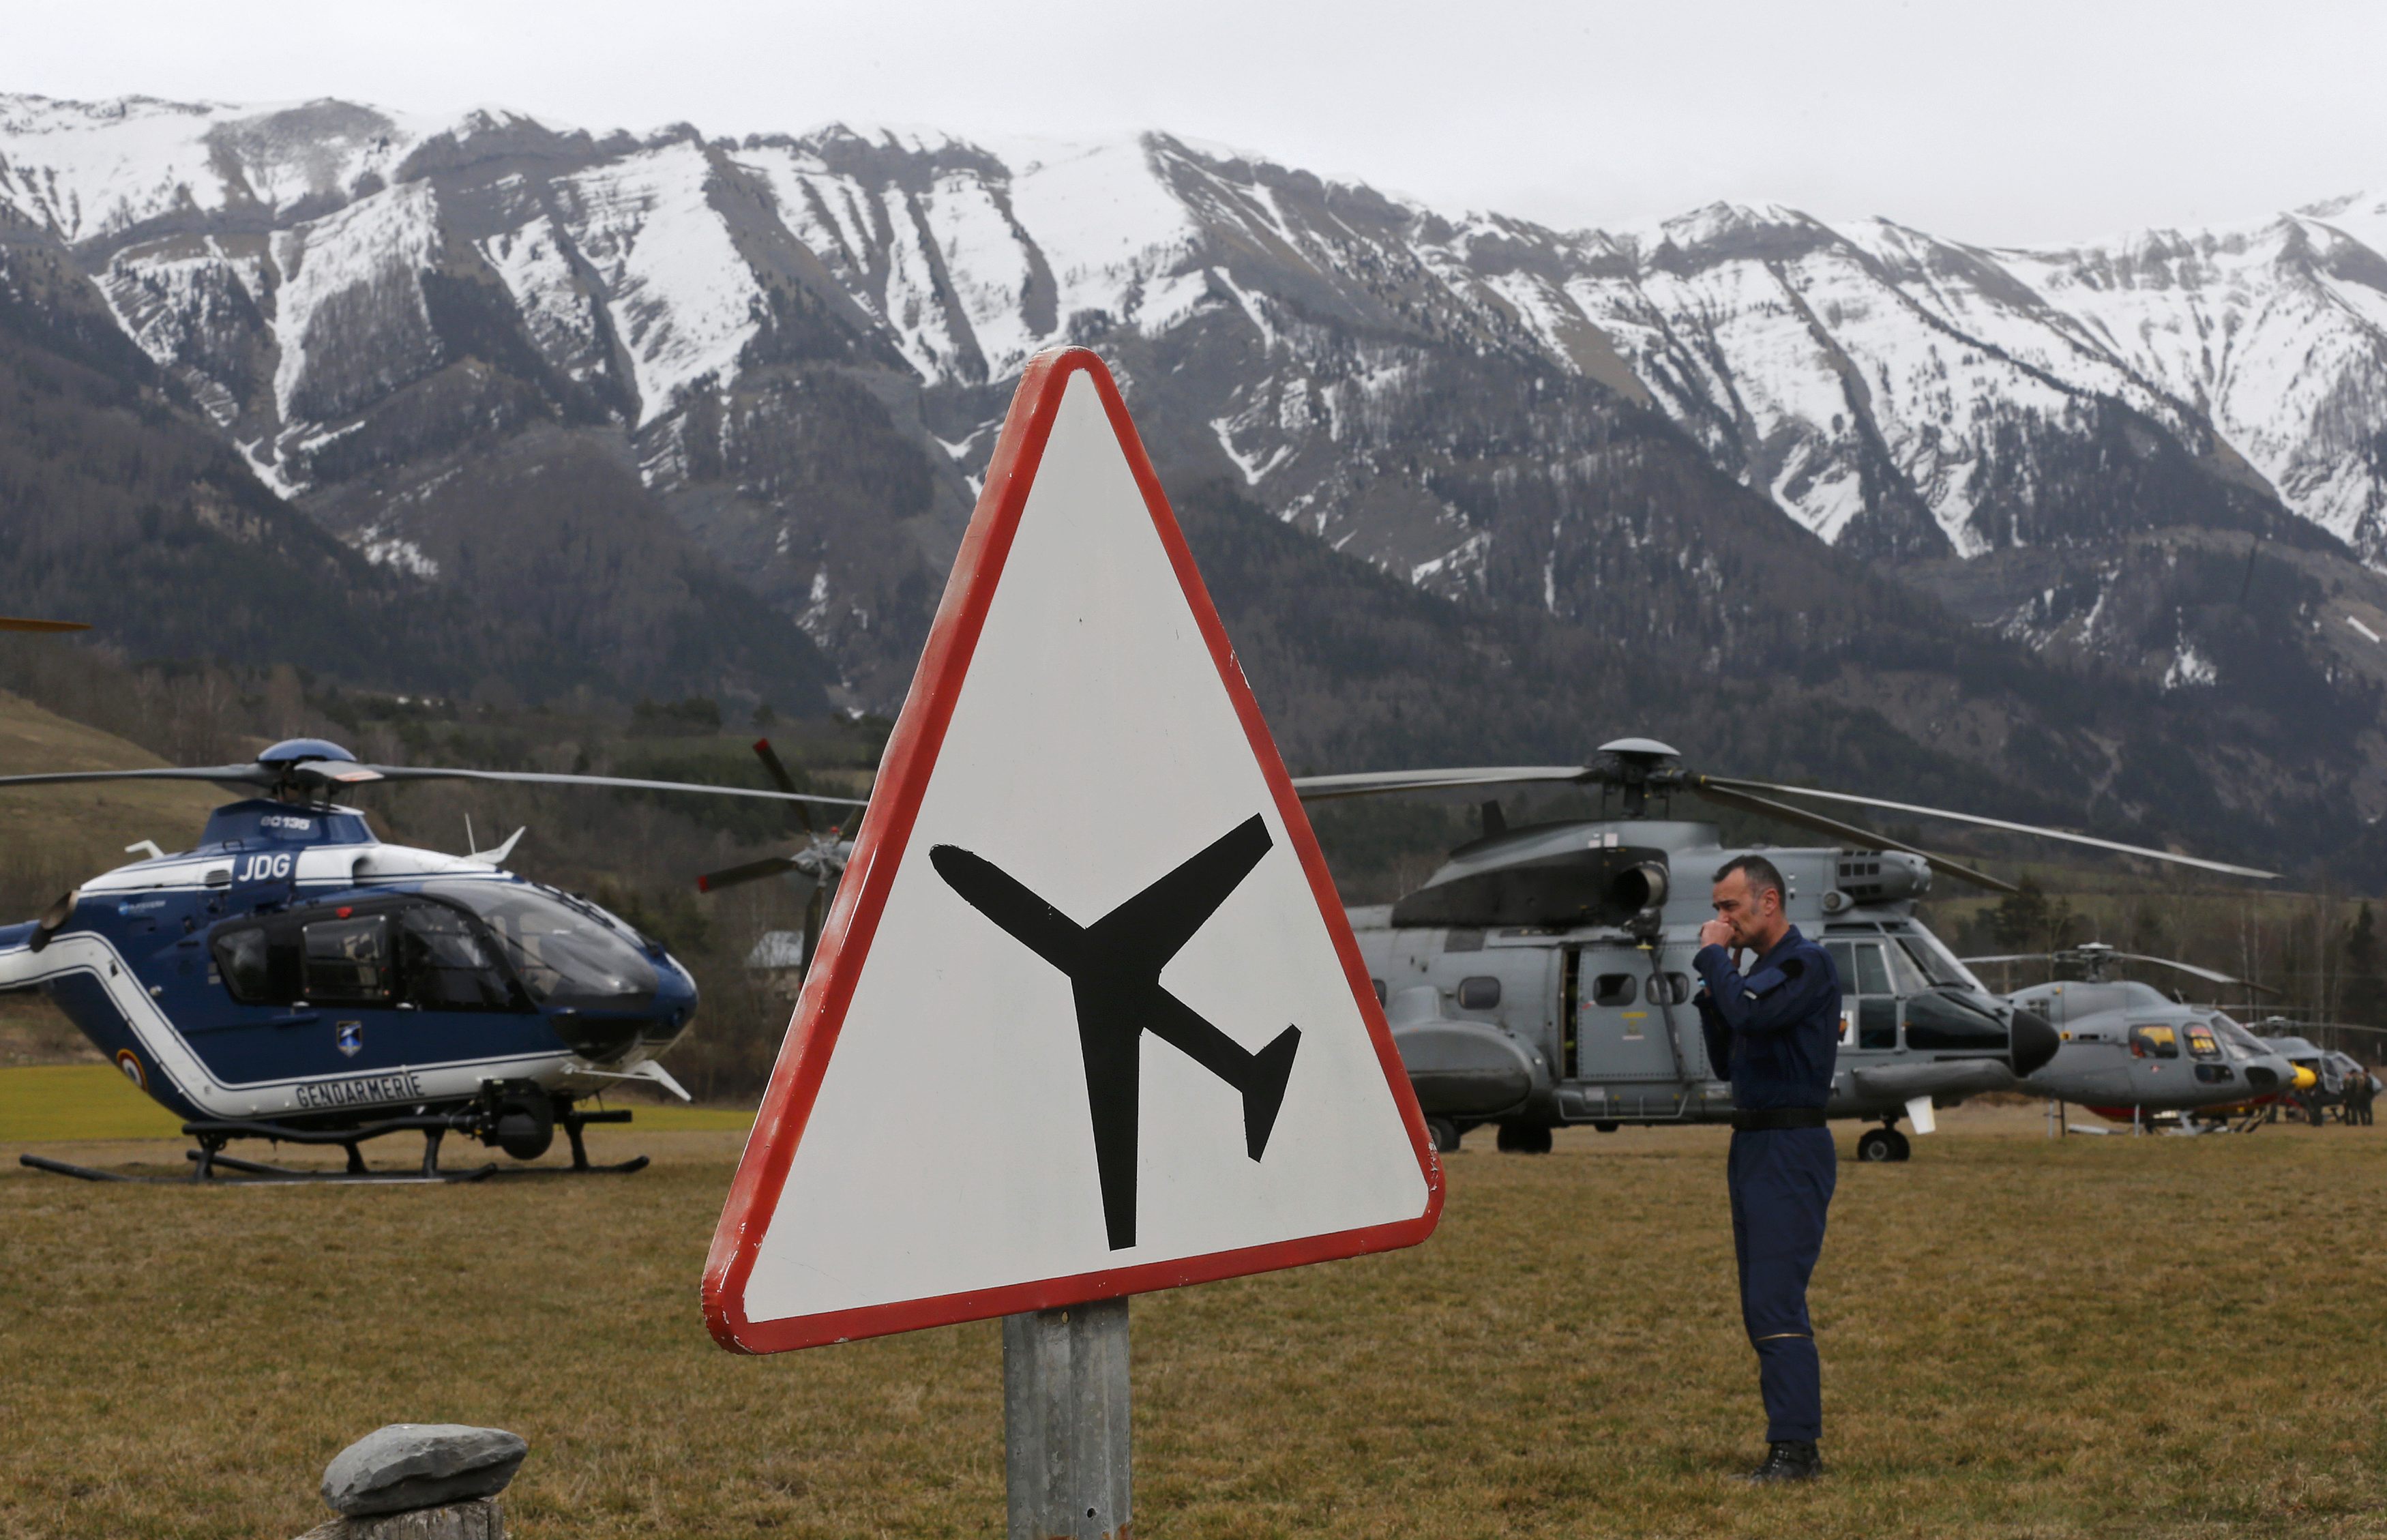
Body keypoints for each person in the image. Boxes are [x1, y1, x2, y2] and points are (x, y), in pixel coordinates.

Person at [1692, 854, 1842, 1483]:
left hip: (1790, 1144)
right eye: (1719, 909)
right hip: (1753, 1144)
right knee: (1760, 1302)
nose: (1720, 919)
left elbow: (1752, 1016)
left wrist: (1709, 961)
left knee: (1777, 1300)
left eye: (1730, 907)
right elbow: (1729, 1061)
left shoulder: (1805, 965)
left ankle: (1796, 1451)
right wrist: (1718, 982)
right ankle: (1789, 1441)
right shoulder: (1758, 974)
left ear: (1769, 902)